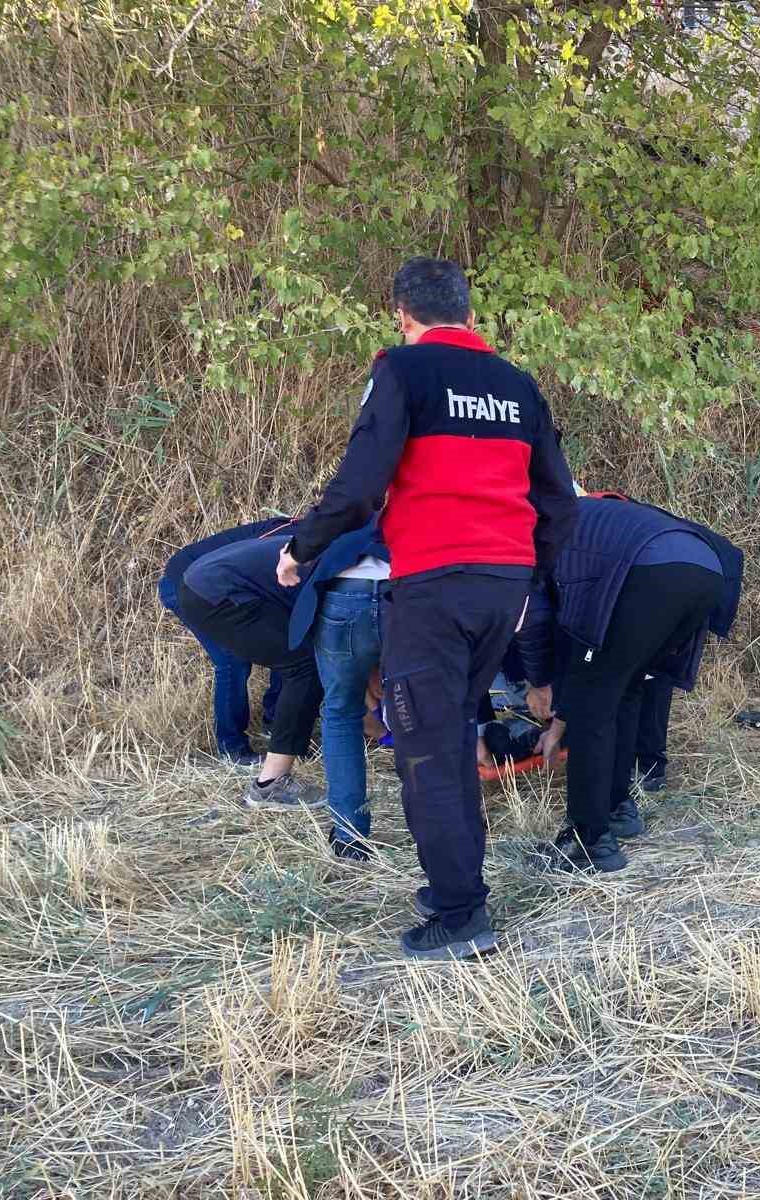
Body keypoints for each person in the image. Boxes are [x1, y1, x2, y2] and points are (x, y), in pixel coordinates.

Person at [278, 256, 578, 962]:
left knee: (425, 748)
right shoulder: (516, 385)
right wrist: (529, 574)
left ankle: (460, 915)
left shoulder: (402, 371)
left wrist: (303, 548)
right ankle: (456, 882)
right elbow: (560, 503)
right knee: (448, 731)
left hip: (434, 586)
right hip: (503, 586)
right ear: (473, 319)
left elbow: (358, 485)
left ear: (403, 317)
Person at [521, 496, 742, 873]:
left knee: (594, 707)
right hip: (707, 570)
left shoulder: (526, 533)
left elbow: (535, 615)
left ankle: (588, 843)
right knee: (626, 688)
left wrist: (540, 683)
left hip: (651, 570)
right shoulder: (579, 516)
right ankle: (618, 807)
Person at [177, 529, 328, 809]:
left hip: (204, 582)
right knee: (305, 666)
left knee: (301, 658)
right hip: (218, 592)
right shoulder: (360, 563)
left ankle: (277, 747)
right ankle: (270, 784)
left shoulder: (343, 541)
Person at [284, 519, 391, 862]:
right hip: (405, 593)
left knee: (341, 713)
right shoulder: (429, 499)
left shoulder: (359, 500)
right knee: (421, 712)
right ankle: (436, 827)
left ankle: (350, 837)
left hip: (343, 595)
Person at [159, 519, 287, 765]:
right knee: (232, 660)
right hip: (185, 585)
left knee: (289, 644)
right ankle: (232, 749)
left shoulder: (308, 533)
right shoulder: (291, 539)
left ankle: (276, 725)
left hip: (226, 586)